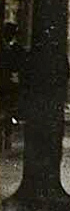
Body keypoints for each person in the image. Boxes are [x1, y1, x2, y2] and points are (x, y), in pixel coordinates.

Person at [0, 21, 22, 154]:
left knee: (7, 112)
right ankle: (7, 138)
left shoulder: (12, 49)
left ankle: (6, 137)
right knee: (8, 112)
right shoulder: (14, 49)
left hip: (6, 86)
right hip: (8, 85)